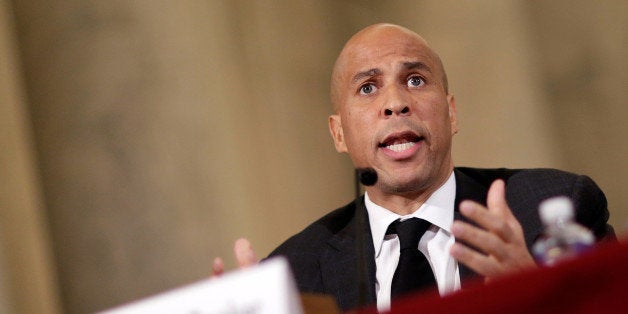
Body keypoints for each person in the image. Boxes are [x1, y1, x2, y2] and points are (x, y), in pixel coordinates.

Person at [213, 23, 614, 312]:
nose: (395, 103)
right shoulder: (297, 274)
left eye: (416, 80)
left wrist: (540, 297)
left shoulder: (550, 208)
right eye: (367, 88)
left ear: (451, 112)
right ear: (338, 134)